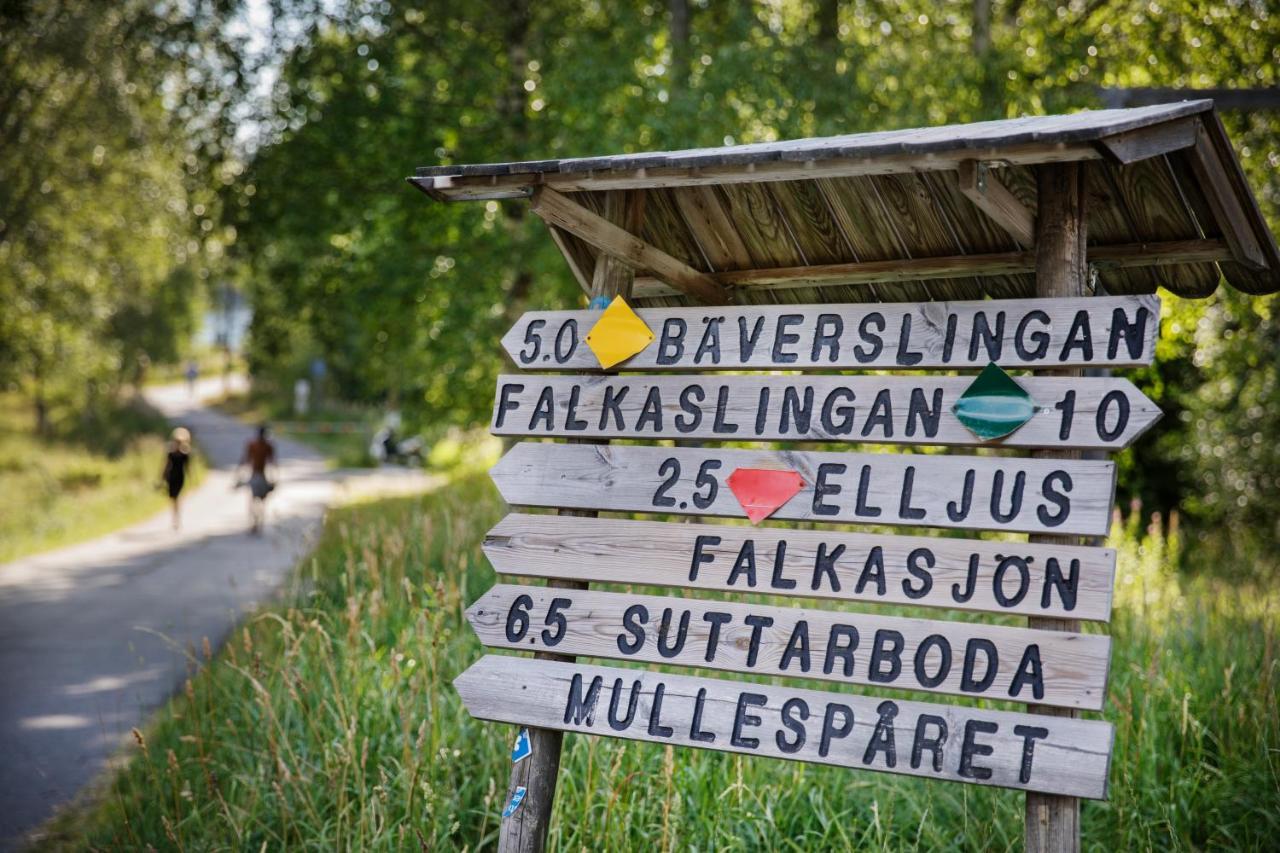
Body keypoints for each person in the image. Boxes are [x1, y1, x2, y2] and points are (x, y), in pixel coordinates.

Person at [239, 425, 276, 534]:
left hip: (255, 476)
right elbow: (272, 462)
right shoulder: (267, 446)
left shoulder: (253, 444)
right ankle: (257, 522)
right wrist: (274, 478)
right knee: (261, 501)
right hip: (261, 476)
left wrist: (239, 474)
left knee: (253, 500)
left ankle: (255, 522)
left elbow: (245, 460)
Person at [161, 428, 192, 530]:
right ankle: (175, 517)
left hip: (180, 477)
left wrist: (191, 479)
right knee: (173, 498)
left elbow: (188, 468)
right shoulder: (171, 453)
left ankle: (176, 518)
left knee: (177, 497)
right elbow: (166, 466)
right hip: (171, 477)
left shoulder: (185, 454)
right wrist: (162, 477)